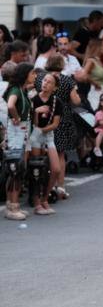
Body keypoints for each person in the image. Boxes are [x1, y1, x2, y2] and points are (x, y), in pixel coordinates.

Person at [35, 55, 82, 200]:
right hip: (61, 118)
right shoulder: (67, 80)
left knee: (41, 152)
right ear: (62, 65)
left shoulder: (40, 78)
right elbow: (76, 101)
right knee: (59, 153)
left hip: (42, 117)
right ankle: (60, 186)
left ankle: (42, 185)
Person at [3, 63, 35, 220]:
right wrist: (15, 117)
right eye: (32, 73)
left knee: (16, 169)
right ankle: (13, 206)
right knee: (16, 169)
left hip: (21, 133)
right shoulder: (16, 90)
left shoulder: (22, 89)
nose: (34, 76)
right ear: (25, 74)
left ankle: (12, 205)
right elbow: (10, 105)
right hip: (16, 133)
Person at [29, 72, 62, 215]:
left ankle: (45, 197)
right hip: (35, 134)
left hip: (48, 134)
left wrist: (43, 130)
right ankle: (37, 203)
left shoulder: (56, 102)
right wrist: (36, 112)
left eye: (49, 82)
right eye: (44, 80)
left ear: (54, 88)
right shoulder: (34, 98)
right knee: (37, 169)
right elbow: (34, 123)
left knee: (56, 169)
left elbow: (55, 124)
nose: (45, 83)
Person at [80, 38, 103, 110]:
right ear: (97, 48)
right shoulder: (91, 61)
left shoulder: (99, 61)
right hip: (96, 94)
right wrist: (95, 83)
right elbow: (83, 75)